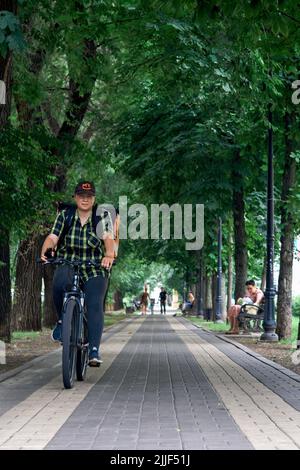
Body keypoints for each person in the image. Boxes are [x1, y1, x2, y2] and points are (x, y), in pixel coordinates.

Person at [40, 180, 115, 366]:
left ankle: (94, 350)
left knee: (94, 301)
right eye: (81, 196)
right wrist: (47, 250)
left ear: (93, 199)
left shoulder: (101, 217)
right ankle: (62, 321)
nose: (85, 199)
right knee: (58, 284)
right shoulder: (65, 215)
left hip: (94, 266)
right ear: (75, 197)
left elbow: (108, 238)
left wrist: (108, 255)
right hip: (69, 262)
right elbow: (53, 237)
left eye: (89, 196)